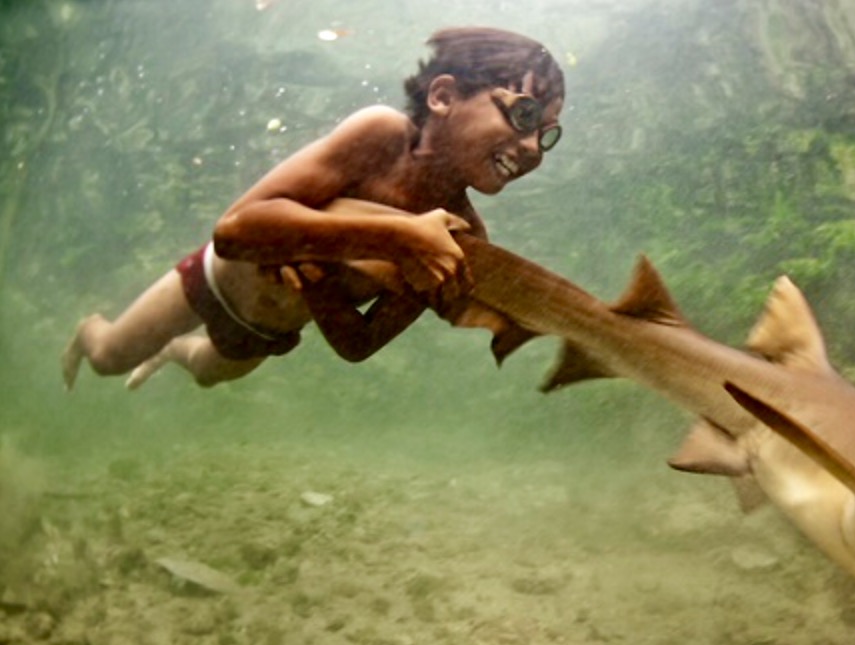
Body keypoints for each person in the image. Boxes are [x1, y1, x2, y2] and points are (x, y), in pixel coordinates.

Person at [62, 27, 564, 390]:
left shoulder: (463, 239)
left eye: (548, 134)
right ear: (443, 95)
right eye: (523, 114)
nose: (534, 148)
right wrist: (404, 236)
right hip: (213, 281)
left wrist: (321, 282)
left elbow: (358, 345)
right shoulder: (382, 136)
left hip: (268, 330)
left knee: (205, 373)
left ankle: (172, 350)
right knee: (109, 358)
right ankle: (89, 328)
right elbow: (235, 233)